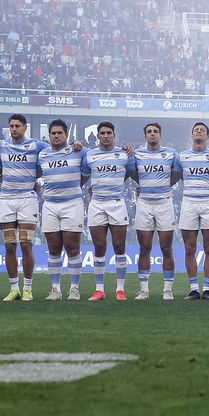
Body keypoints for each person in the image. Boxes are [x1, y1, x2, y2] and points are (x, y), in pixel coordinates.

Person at [0, 113, 65, 301]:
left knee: (25, 244)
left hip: (27, 199)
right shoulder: (1, 145)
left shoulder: (37, 145)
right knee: (9, 246)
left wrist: (75, 145)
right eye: (11, 126)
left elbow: (57, 150)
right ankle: (14, 288)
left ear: (25, 128)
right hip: (6, 199)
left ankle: (28, 289)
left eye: (17, 126)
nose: (14, 129)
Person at [83, 121, 134, 301]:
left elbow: (131, 172)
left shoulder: (124, 154)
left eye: (109, 133)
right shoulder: (89, 155)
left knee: (119, 247)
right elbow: (83, 175)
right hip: (96, 204)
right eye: (102, 133)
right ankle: (99, 290)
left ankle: (120, 289)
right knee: (99, 247)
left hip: (117, 203)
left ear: (114, 135)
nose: (105, 136)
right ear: (97, 136)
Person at [130, 122, 180, 300]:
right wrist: (142, 185)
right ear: (145, 136)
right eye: (149, 132)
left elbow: (178, 173)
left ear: (160, 135)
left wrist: (166, 186)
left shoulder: (171, 154)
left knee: (167, 248)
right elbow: (131, 172)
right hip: (144, 204)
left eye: (155, 132)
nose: (152, 134)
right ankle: (144, 290)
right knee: (144, 248)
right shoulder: (137, 154)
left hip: (164, 204)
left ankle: (167, 290)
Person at [40, 120, 87, 300]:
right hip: (50, 205)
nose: (56, 136)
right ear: (49, 135)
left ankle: (74, 289)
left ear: (66, 135)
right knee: (53, 248)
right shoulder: (42, 154)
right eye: (53, 133)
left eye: (60, 133)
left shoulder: (79, 151)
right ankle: (56, 290)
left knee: (72, 247)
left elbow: (98, 156)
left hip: (72, 203)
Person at [178, 122, 209, 299]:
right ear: (192, 135)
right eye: (196, 130)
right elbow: (174, 174)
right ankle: (194, 288)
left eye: (202, 130)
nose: (199, 132)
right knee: (189, 248)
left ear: (207, 137)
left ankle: (207, 289)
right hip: (189, 203)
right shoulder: (182, 157)